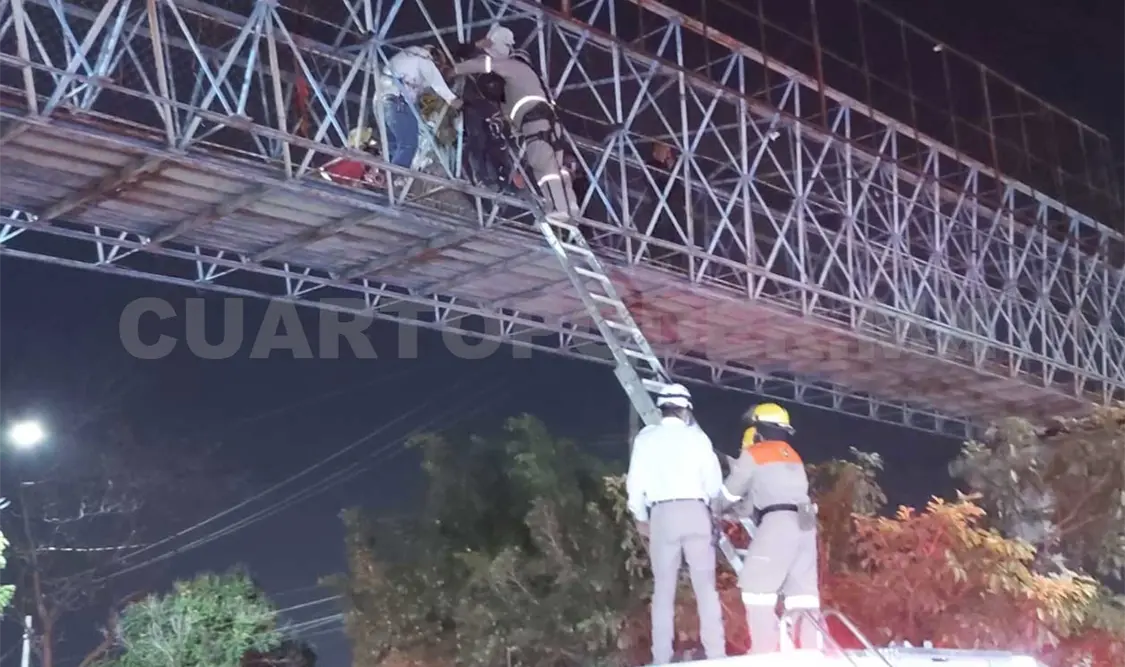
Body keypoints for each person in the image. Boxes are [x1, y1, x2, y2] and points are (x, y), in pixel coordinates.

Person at [626, 383, 726, 664]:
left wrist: (640, 518)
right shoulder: (699, 439)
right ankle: (717, 654)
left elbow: (635, 486)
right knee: (706, 588)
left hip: (662, 516)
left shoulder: (647, 439)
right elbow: (714, 485)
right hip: (696, 512)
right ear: (686, 410)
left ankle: (662, 658)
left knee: (663, 590)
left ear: (661, 408)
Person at [719, 402, 820, 653]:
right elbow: (755, 501)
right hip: (806, 521)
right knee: (802, 593)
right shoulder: (792, 456)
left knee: (756, 587)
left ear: (758, 428)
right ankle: (810, 651)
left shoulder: (755, 453)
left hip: (779, 520)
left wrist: (714, 507)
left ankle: (764, 652)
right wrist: (738, 511)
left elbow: (731, 493)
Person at [451, 25, 580, 221]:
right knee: (558, 168)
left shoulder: (515, 67)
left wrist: (454, 70)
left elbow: (487, 64)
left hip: (536, 122)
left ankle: (559, 210)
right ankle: (571, 208)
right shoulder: (531, 84)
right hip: (551, 124)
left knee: (543, 166)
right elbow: (508, 112)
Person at [377, 45, 462, 171]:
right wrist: (453, 99)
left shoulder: (405, 58)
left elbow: (425, 85)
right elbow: (435, 81)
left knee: (394, 145)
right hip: (398, 101)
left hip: (382, 102)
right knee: (408, 145)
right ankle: (393, 177)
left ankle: (383, 176)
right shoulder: (423, 58)